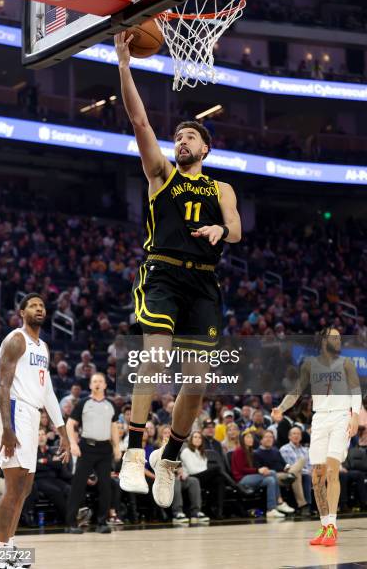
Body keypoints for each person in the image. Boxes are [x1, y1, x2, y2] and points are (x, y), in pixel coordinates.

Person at [115, 30, 241, 510]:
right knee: (154, 354)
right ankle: (133, 449)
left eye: (189, 136)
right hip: (163, 273)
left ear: (205, 148)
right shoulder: (161, 175)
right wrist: (125, 65)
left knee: (198, 378)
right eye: (178, 137)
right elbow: (139, 119)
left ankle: (169, 456)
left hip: (203, 283)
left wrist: (220, 234)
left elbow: (234, 228)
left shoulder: (221, 188)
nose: (180, 140)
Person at [0, 293, 70, 569]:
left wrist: (63, 431)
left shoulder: (43, 347)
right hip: (14, 411)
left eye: (42, 306)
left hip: (31, 415)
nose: (39, 309)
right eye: (33, 306)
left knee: (24, 488)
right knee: (13, 487)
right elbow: (2, 385)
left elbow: (47, 391)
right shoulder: (17, 340)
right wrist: (7, 428)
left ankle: (9, 548)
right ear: (21, 312)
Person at [272, 327, 361, 546]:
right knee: (316, 477)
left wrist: (355, 416)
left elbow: (356, 391)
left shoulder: (346, 363)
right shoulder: (310, 364)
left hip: (341, 417)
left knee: (332, 470)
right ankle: (323, 525)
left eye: (340, 337)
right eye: (334, 337)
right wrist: (281, 408)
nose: (338, 341)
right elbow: (296, 391)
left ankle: (332, 526)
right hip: (319, 419)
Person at [65, 372, 121, 534]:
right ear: (90, 385)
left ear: (105, 385)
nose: (97, 383)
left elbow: (114, 427)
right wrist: (73, 444)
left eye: (100, 381)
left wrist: (117, 447)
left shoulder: (111, 405)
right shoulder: (83, 403)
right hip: (86, 447)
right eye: (94, 381)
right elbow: (70, 424)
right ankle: (71, 523)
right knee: (78, 485)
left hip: (105, 449)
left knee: (105, 486)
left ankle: (102, 522)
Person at [231, 432, 293, 518]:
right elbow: (241, 469)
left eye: (251, 437)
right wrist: (258, 470)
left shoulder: (250, 451)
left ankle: (271, 509)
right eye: (248, 437)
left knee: (270, 480)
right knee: (273, 473)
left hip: (251, 478)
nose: (251, 439)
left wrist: (262, 470)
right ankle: (279, 501)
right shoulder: (239, 451)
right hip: (241, 479)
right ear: (242, 439)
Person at [254, 429, 309, 515]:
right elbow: (260, 469)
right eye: (266, 437)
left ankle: (291, 476)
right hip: (273, 475)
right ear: (261, 440)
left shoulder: (275, 450)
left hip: (285, 473)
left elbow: (284, 464)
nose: (269, 439)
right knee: (297, 474)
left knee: (300, 462)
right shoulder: (257, 453)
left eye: (271, 437)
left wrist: (287, 467)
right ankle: (302, 505)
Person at [180, 431, 225, 520]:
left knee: (220, 479)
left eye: (200, 437)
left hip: (202, 477)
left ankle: (218, 511)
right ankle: (235, 485)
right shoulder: (186, 451)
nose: (197, 439)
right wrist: (208, 472)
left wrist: (208, 472)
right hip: (191, 478)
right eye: (195, 437)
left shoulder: (202, 453)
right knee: (217, 469)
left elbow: (204, 469)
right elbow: (192, 470)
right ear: (191, 439)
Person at [35, 429, 71, 524]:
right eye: (38, 435)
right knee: (56, 491)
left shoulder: (51, 451)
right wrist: (51, 462)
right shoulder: (32, 452)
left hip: (53, 478)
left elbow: (59, 464)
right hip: (40, 480)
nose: (41, 437)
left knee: (68, 489)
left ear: (46, 437)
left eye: (43, 434)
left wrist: (45, 461)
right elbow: (36, 466)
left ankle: (73, 515)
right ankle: (69, 519)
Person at [279, 426, 312, 514]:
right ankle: (306, 506)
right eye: (294, 434)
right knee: (301, 464)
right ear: (289, 436)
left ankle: (307, 506)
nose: (296, 436)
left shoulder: (306, 450)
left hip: (300, 474)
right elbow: (288, 466)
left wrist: (310, 471)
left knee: (304, 475)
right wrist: (307, 471)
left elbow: (310, 466)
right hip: (289, 472)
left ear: (301, 437)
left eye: (298, 434)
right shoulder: (284, 449)